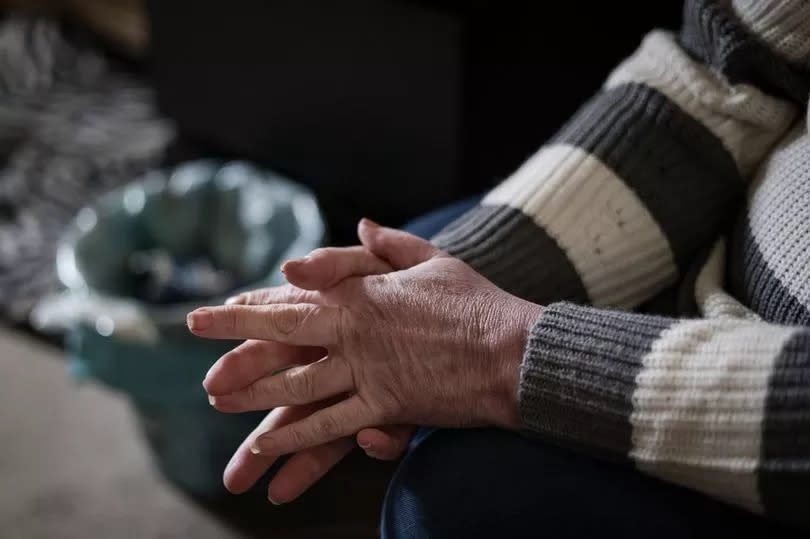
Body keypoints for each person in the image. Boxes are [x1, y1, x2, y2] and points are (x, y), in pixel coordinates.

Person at [187, 0, 810, 535]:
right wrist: (446, 285)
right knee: (409, 261)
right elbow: (728, 72)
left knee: (455, 503)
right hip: (720, 259)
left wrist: (504, 353)